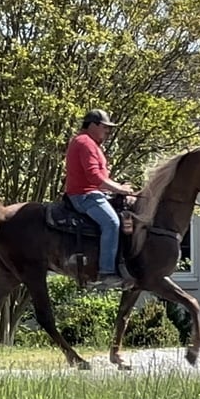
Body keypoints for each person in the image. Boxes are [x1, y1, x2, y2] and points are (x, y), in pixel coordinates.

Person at [65, 109, 134, 289]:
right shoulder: (85, 143)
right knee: (112, 223)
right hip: (84, 195)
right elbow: (94, 177)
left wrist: (120, 188)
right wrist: (119, 188)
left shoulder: (91, 143)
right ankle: (107, 272)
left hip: (93, 192)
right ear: (93, 125)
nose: (108, 131)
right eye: (105, 127)